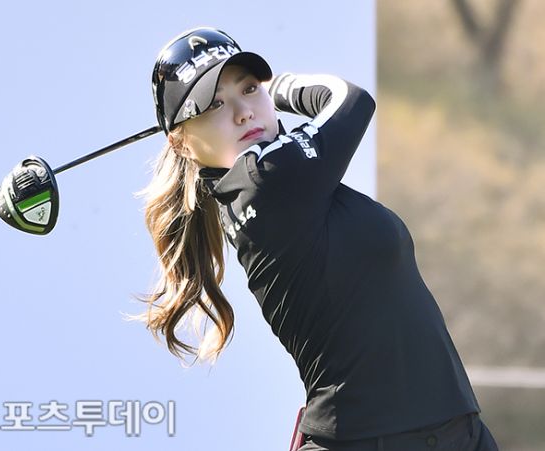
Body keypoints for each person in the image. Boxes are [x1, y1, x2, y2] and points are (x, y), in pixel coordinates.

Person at [133, 26, 500, 450]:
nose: (243, 112)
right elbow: (349, 99)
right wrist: (278, 88)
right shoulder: (264, 180)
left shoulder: (273, 183)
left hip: (456, 430)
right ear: (181, 145)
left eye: (249, 88)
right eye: (214, 104)